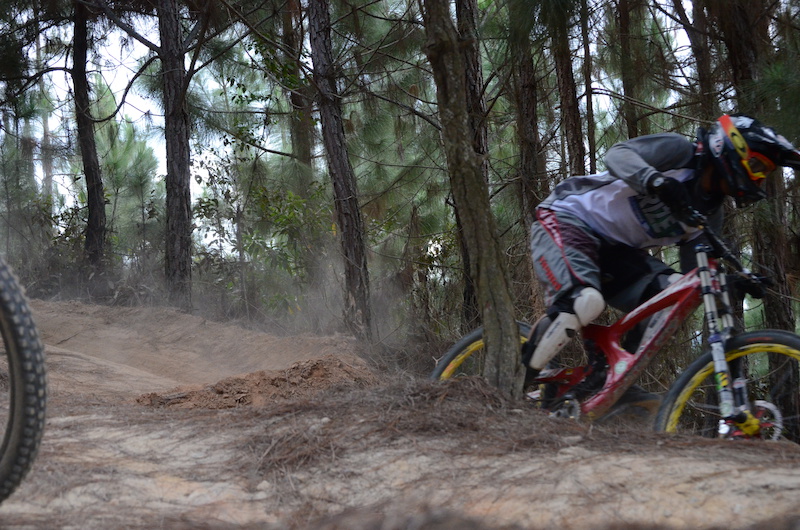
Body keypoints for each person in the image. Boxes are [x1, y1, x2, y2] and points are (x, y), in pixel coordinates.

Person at [521, 114, 800, 412]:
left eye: (765, 173)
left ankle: (607, 377)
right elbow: (617, 155)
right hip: (570, 217)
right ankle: (510, 384)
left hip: (616, 252)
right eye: (757, 166)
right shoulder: (680, 152)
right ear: (731, 147)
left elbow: (694, 278)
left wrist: (730, 282)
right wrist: (655, 180)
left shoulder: (710, 215)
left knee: (671, 297)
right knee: (583, 303)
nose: (759, 179)